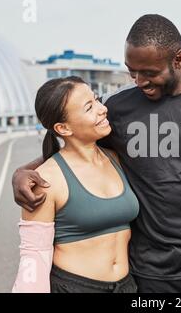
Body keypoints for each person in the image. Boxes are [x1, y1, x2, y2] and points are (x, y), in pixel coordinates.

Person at [12, 14, 181, 293]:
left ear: (178, 60)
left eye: (149, 73)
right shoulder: (116, 107)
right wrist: (26, 171)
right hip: (146, 274)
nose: (139, 81)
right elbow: (76, 147)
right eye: (132, 71)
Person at [12, 76, 139, 293]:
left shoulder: (115, 158)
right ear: (64, 128)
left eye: (97, 99)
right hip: (75, 287)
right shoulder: (46, 180)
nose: (102, 109)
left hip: (127, 286)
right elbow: (34, 258)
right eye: (89, 107)